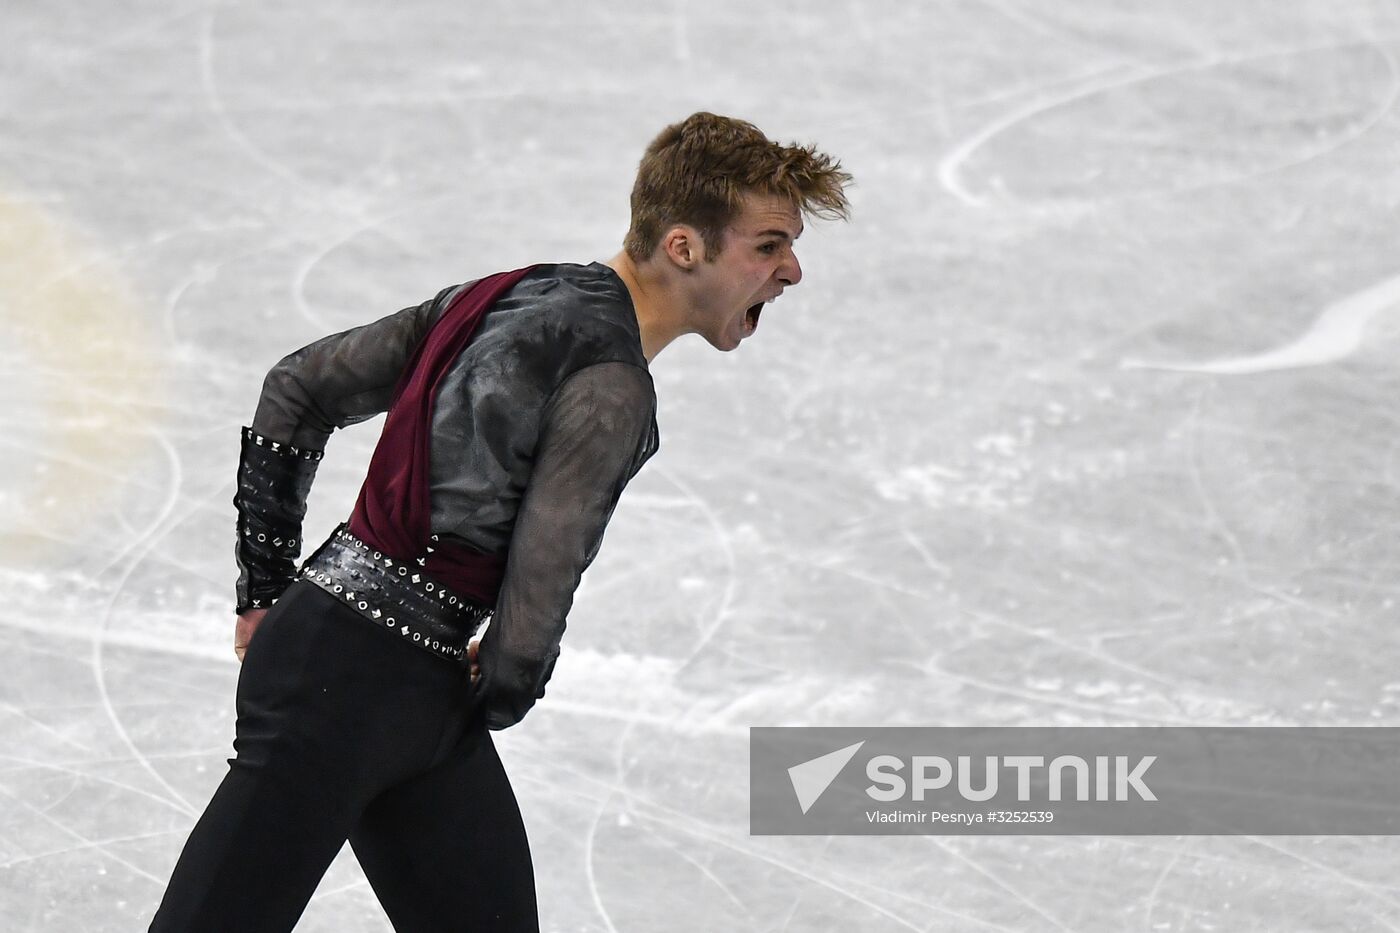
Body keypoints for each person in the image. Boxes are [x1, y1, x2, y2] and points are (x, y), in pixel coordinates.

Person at [148, 111, 851, 932]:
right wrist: (507, 683)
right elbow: (536, 601)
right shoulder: (613, 384)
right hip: (348, 697)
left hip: (373, 680)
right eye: (768, 245)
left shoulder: (503, 295)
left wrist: (267, 591)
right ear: (684, 247)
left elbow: (297, 389)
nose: (791, 270)